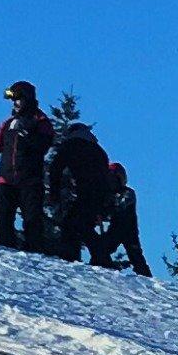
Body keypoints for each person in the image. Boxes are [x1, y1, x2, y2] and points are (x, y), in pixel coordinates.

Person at [0, 82, 55, 250]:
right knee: (2, 222)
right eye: (13, 100)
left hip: (30, 180)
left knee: (32, 221)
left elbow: (44, 145)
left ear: (27, 99)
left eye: (18, 99)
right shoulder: (8, 124)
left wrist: (27, 135)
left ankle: (35, 257)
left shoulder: (41, 122)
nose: (15, 104)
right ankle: (6, 253)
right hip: (5, 180)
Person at [45, 111, 115, 263]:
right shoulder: (99, 150)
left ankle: (76, 257)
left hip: (85, 192)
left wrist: (54, 192)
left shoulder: (71, 145)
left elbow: (55, 168)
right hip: (100, 194)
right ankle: (99, 257)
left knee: (74, 225)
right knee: (82, 224)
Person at [92, 160, 152, 275]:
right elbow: (106, 211)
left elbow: (121, 206)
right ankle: (97, 269)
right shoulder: (108, 194)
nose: (111, 182)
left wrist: (107, 207)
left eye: (113, 179)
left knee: (135, 255)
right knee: (102, 249)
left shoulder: (128, 193)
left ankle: (147, 278)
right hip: (115, 229)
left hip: (129, 229)